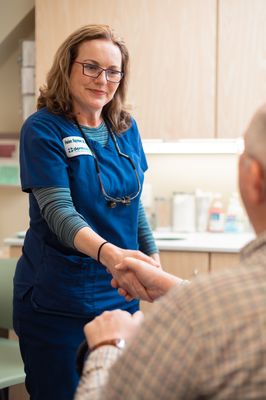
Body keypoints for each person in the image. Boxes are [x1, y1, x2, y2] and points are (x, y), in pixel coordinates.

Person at [74, 104, 266, 399]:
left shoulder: (195, 317)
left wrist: (106, 348)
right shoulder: (203, 309)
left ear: (252, 177)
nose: (103, 79)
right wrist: (173, 288)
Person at [13, 24, 162, 400]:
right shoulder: (43, 129)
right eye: (91, 67)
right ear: (68, 67)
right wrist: (112, 255)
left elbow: (133, 203)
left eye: (113, 71)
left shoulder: (126, 127)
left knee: (115, 391)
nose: (103, 79)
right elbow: (59, 213)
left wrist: (152, 260)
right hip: (59, 300)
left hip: (120, 292)